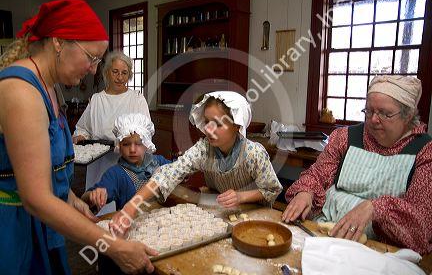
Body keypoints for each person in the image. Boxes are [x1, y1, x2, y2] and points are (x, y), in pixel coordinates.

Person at [0, 0, 156, 274]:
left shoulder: (50, 88)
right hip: (14, 228)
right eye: (92, 58)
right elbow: (35, 196)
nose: (94, 69)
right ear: (59, 42)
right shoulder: (20, 91)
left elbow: (43, 170)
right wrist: (113, 246)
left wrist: (72, 201)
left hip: (44, 225)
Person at [282, 75, 432, 254]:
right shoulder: (345, 137)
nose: (374, 120)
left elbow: (421, 225)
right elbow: (318, 174)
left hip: (380, 251)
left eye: (385, 113)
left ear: (407, 115)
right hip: (322, 234)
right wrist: (305, 191)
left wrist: (375, 208)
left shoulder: (424, 151)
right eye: (369, 111)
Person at [111, 91, 283, 233]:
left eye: (218, 124)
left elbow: (271, 189)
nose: (209, 129)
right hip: (223, 214)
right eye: (207, 122)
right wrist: (130, 208)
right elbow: (169, 173)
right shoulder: (204, 149)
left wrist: (241, 196)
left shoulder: (253, 153)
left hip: (257, 217)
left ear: (237, 125)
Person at [81, 113, 171, 210]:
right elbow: (85, 200)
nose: (132, 149)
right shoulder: (116, 174)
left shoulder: (159, 162)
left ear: (147, 144)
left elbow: (179, 170)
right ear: (119, 146)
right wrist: (93, 195)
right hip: (131, 222)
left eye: (139, 144)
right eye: (126, 144)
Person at [72, 51, 150, 144]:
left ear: (129, 75)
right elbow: (83, 129)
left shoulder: (137, 99)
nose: (120, 77)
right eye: (115, 72)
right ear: (107, 72)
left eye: (124, 73)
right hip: (99, 152)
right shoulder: (97, 100)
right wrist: (80, 136)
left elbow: (146, 131)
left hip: (128, 153)